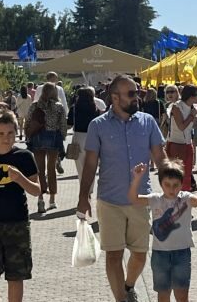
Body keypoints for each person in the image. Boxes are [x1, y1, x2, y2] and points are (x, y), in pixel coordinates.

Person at [76, 75, 168, 302]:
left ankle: (128, 286)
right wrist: (83, 196)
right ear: (115, 97)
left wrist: (172, 190)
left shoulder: (148, 121)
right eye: (131, 93)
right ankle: (120, 299)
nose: (137, 97)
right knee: (114, 255)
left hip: (141, 199)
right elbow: (90, 163)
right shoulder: (97, 125)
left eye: (137, 92)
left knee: (139, 254)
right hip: (109, 201)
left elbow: (160, 157)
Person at [127, 160, 197, 302]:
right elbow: (134, 199)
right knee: (163, 295)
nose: (172, 189)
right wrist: (137, 178)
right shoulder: (155, 199)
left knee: (182, 295)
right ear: (161, 184)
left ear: (181, 184)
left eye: (176, 185)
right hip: (160, 255)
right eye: (167, 185)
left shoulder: (185, 199)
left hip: (182, 253)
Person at [0, 110, 41, 302]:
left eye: (10, 133)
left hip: (16, 223)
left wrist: (19, 178)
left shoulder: (24, 156)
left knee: (16, 276)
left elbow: (37, 190)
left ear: (17, 133)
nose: (6, 139)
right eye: (0, 134)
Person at [25, 82, 67, 213]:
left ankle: (41, 199)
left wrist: (27, 135)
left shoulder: (35, 105)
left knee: (40, 170)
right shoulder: (59, 107)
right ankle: (52, 200)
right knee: (51, 169)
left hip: (38, 138)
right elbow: (63, 125)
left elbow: (28, 121)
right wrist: (63, 138)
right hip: (53, 139)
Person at [67, 87, 101, 197]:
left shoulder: (74, 108)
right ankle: (90, 189)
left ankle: (84, 190)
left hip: (78, 137)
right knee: (91, 165)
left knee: (80, 167)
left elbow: (70, 124)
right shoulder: (95, 108)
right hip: (93, 137)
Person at [166, 85, 197, 192]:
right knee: (176, 175)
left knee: (187, 175)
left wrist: (195, 118)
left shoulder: (193, 107)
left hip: (187, 143)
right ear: (190, 96)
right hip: (176, 144)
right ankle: (174, 199)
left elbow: (192, 126)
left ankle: (184, 199)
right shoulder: (177, 107)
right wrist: (192, 116)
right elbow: (181, 127)